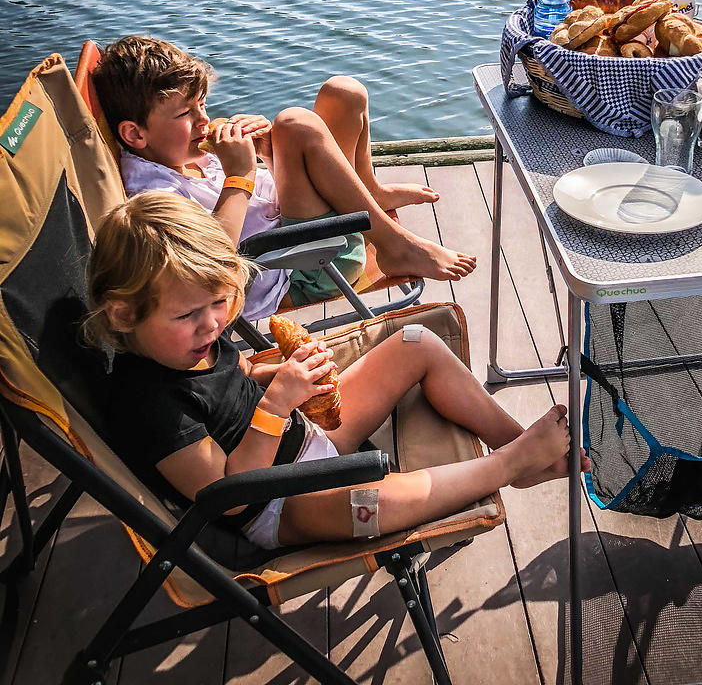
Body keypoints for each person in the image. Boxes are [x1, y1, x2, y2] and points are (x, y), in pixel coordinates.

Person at [86, 192, 587, 550]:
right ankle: (510, 464)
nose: (213, 323)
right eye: (187, 315)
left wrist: (283, 377)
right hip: (277, 502)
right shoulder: (148, 403)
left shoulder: (190, 345)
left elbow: (232, 383)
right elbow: (228, 499)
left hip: (303, 436)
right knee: (365, 502)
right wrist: (277, 404)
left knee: (415, 343)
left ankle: (518, 443)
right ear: (125, 315)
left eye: (219, 303)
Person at [91, 36, 476, 318]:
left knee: (343, 93)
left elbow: (269, 197)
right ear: (135, 134)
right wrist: (240, 174)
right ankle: (396, 246)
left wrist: (267, 154)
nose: (204, 121)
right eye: (185, 114)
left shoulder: (174, 151)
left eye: (202, 105)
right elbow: (210, 267)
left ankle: (368, 192)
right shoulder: (152, 195)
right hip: (303, 267)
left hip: (303, 229)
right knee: (296, 124)